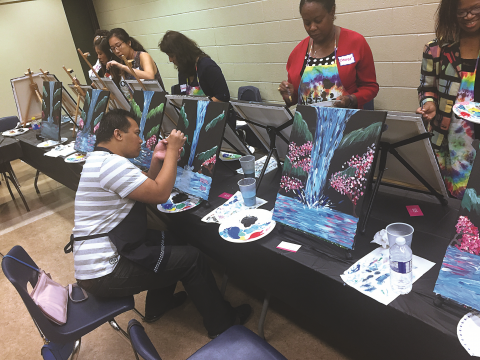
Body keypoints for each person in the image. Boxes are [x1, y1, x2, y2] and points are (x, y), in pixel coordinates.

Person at [68, 109, 251, 338]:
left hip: (104, 254)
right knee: (192, 259)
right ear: (118, 134)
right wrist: (173, 151)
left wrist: (157, 158)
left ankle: (158, 305)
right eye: (136, 133)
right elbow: (160, 193)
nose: (141, 139)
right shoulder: (111, 166)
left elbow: (144, 185)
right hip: (104, 271)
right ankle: (222, 324)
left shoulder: (102, 159)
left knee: (173, 240)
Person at [417, 0, 480, 199]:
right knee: (452, 207)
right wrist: (428, 103)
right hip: (448, 143)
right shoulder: (436, 49)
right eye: (461, 12)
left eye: (475, 8)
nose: (469, 16)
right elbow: (426, 87)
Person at [278, 0, 379, 109]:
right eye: (307, 22)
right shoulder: (297, 52)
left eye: (318, 21)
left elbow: (370, 87)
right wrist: (288, 95)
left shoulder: (356, 43)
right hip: (309, 124)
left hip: (345, 122)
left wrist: (351, 99)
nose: (312, 27)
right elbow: (293, 99)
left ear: (332, 12)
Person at [159, 31, 230, 102]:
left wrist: (198, 107)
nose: (170, 60)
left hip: (212, 111)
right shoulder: (182, 69)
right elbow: (183, 96)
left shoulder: (207, 66)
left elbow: (223, 96)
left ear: (182, 53)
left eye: (172, 56)